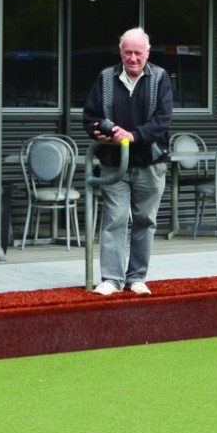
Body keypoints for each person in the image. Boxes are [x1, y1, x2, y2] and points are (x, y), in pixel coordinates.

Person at [81, 27, 173, 297]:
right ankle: (111, 278)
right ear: (120, 52)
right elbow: (89, 117)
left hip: (150, 162)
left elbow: (163, 120)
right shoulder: (105, 78)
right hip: (113, 163)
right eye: (128, 52)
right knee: (114, 220)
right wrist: (99, 130)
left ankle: (136, 277)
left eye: (138, 53)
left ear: (148, 53)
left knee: (145, 221)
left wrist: (133, 136)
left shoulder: (160, 78)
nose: (133, 58)